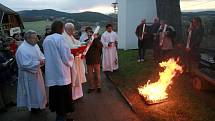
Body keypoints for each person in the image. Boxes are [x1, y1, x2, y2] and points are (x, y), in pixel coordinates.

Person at [43, 20, 75, 121]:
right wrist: (72, 57)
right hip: (61, 74)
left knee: (56, 98)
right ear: (61, 28)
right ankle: (62, 118)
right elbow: (65, 56)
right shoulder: (60, 38)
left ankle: (60, 116)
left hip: (52, 74)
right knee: (63, 99)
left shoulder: (47, 39)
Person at [15, 30, 47, 113]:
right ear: (28, 38)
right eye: (34, 38)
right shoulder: (22, 49)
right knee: (32, 92)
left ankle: (41, 103)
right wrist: (39, 62)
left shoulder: (34, 45)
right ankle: (34, 107)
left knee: (40, 89)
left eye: (36, 37)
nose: (37, 40)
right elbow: (24, 64)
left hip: (37, 72)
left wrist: (42, 60)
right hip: (28, 74)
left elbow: (41, 55)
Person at [63, 23, 86, 100]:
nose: (73, 32)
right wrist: (79, 47)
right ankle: (73, 95)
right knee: (73, 77)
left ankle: (77, 94)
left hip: (75, 59)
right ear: (68, 29)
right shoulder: (64, 36)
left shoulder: (70, 35)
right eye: (72, 30)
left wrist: (82, 43)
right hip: (71, 60)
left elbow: (76, 41)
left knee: (77, 76)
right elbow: (70, 47)